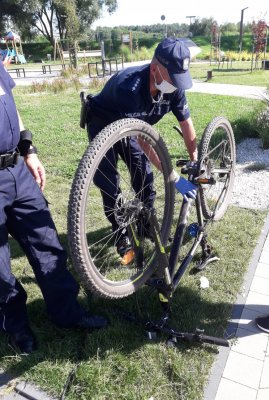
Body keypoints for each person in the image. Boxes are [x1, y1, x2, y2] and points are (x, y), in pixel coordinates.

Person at [0, 57, 108, 355]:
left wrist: (28, 149)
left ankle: (66, 312)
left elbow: (10, 106)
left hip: (16, 169)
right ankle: (16, 326)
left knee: (46, 241)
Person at [85, 37, 198, 264]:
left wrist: (195, 161)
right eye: (173, 78)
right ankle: (121, 234)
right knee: (110, 183)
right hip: (103, 121)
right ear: (155, 69)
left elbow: (186, 123)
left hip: (134, 125)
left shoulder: (174, 87)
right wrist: (173, 177)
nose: (176, 84)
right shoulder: (130, 88)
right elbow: (144, 142)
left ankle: (145, 225)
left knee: (143, 175)